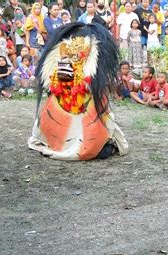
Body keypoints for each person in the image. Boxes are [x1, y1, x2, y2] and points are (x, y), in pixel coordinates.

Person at [28, 22, 128, 160]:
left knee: (95, 125)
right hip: (66, 93)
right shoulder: (64, 49)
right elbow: (60, 75)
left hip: (85, 93)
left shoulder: (90, 51)